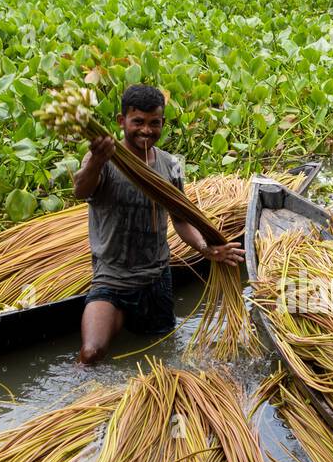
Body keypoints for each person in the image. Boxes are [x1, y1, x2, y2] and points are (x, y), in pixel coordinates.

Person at [72, 84, 243, 364]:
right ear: (121, 121)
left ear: (163, 123)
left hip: (156, 280)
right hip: (112, 279)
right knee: (90, 354)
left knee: (162, 352)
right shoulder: (103, 159)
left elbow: (181, 218)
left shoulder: (170, 165)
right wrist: (96, 162)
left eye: (155, 123)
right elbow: (81, 190)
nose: (146, 130)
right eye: (138, 122)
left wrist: (205, 247)